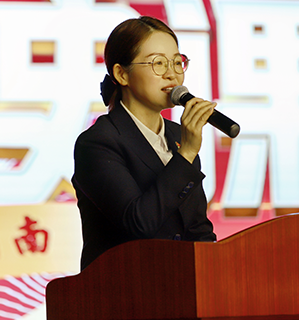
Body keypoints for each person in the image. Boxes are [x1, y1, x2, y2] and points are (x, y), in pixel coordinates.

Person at [72, 16, 217, 271]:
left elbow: (198, 229)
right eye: (158, 63)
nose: (172, 74)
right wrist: (186, 154)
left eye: (177, 62)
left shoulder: (178, 136)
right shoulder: (98, 142)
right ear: (121, 74)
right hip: (123, 287)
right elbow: (138, 223)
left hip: (182, 285)